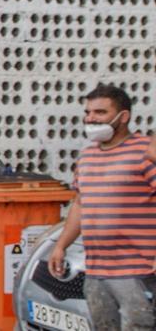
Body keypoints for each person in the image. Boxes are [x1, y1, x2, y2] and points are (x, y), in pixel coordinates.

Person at [49, 84, 155, 331]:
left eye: (100, 112)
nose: (90, 119)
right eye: (88, 112)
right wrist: (61, 246)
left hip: (137, 271)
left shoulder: (146, 152)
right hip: (96, 269)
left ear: (123, 116)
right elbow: (80, 204)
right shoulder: (87, 156)